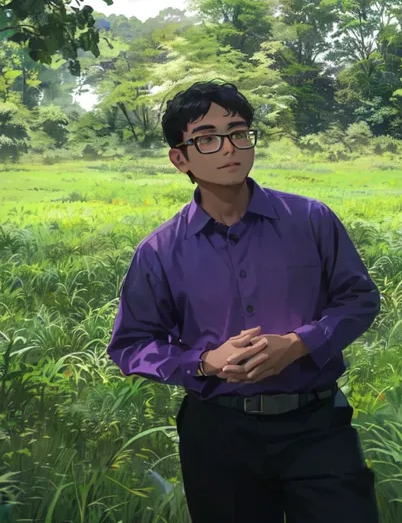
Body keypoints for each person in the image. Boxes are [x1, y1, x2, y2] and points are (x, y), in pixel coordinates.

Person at [107, 80, 381, 523]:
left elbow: (359, 299)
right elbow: (131, 345)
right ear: (180, 158)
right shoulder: (159, 252)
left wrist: (299, 343)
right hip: (217, 432)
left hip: (317, 425)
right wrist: (205, 362)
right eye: (208, 138)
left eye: (238, 132)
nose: (229, 148)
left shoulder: (311, 220)